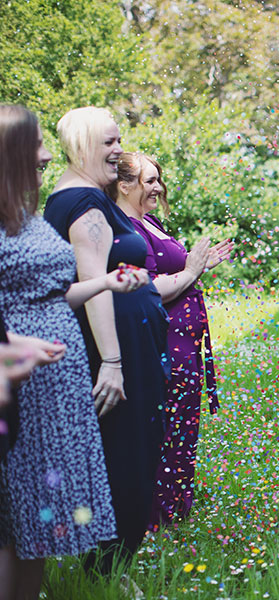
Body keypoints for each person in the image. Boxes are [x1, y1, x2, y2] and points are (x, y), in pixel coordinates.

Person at [0, 105, 150, 599]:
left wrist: (108, 280)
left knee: (37, 522)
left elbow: (53, 291)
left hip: (53, 382)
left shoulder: (26, 213)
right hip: (14, 381)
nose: (47, 154)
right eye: (37, 145)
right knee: (14, 516)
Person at [43, 106, 170, 575]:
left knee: (121, 454)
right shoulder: (85, 204)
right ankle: (106, 571)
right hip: (114, 351)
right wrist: (112, 362)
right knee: (125, 457)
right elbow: (95, 284)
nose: (119, 151)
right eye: (108, 143)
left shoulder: (80, 196)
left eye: (119, 141)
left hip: (123, 346)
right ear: (81, 146)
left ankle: (107, 569)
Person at [111, 152, 233, 528]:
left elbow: (174, 269)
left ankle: (175, 513)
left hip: (183, 344)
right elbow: (148, 288)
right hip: (161, 344)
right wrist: (192, 270)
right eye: (149, 180)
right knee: (163, 428)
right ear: (124, 184)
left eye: (158, 179)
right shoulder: (129, 231)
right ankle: (154, 518)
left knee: (183, 425)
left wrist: (200, 264)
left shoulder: (151, 221)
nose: (158, 187)